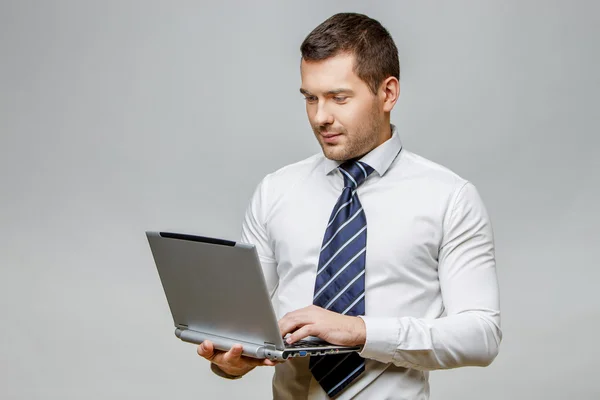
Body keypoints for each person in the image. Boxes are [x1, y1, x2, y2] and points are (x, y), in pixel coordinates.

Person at [197, 12, 501, 399]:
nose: (321, 117)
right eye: (311, 98)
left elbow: (482, 334)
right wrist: (229, 361)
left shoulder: (450, 198)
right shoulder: (275, 191)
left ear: (388, 93)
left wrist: (361, 331)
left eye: (339, 98)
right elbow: (239, 328)